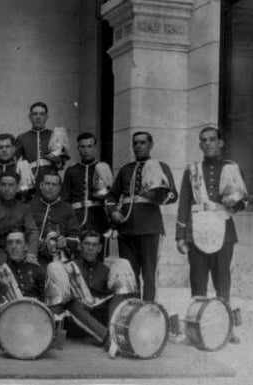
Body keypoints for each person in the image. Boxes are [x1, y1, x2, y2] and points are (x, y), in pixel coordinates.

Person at [176, 127, 248, 344]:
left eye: (212, 139)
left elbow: (241, 199)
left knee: (222, 280)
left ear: (221, 142)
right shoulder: (192, 171)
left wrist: (236, 203)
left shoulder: (231, 168)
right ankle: (196, 328)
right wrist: (180, 235)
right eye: (204, 140)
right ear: (200, 145)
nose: (208, 143)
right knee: (198, 281)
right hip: (196, 230)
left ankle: (225, 328)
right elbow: (184, 204)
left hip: (223, 229)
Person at [0, 229, 109, 347]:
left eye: (18, 242)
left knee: (67, 302)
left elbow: (49, 299)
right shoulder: (0, 271)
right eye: (10, 243)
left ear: (26, 246)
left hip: (89, 317)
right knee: (69, 301)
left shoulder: (37, 269)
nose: (14, 247)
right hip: (18, 318)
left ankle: (109, 337)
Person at [106, 131, 177, 301]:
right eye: (135, 143)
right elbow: (111, 196)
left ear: (151, 145)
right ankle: (133, 309)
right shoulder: (125, 169)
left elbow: (173, 194)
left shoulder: (161, 166)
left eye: (143, 143)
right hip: (127, 228)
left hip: (150, 227)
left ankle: (150, 310)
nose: (138, 146)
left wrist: (155, 197)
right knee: (129, 273)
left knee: (149, 274)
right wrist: (113, 211)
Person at [61, 132, 113, 260]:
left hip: (97, 218)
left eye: (89, 146)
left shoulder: (103, 168)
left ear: (95, 148)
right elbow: (65, 198)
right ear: (78, 148)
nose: (86, 150)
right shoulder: (71, 170)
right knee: (76, 257)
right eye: (82, 147)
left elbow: (111, 195)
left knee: (97, 257)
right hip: (76, 219)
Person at [71, 230, 138, 327]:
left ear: (99, 248)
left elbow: (111, 298)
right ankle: (108, 336)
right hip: (78, 319)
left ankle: (117, 328)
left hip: (100, 318)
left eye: (94, 245)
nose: (90, 248)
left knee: (122, 263)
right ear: (80, 246)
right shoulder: (71, 267)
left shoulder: (105, 270)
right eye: (86, 244)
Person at [0, 172, 40, 268]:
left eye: (11, 185)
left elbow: (32, 231)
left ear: (17, 187)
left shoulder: (24, 208)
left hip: (19, 252)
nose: (7, 189)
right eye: (3, 185)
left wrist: (31, 254)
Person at [28, 172, 80, 265]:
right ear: (41, 185)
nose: (50, 187)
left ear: (59, 188)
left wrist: (65, 242)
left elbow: (76, 237)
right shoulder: (30, 206)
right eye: (47, 183)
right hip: (34, 256)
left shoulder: (67, 208)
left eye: (54, 185)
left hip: (60, 258)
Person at [15, 102, 69, 184]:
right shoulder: (22, 138)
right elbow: (16, 161)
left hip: (51, 180)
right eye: (35, 114)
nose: (38, 117)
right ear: (30, 117)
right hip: (29, 180)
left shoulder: (54, 135)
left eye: (41, 114)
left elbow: (62, 164)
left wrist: (58, 161)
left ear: (46, 117)